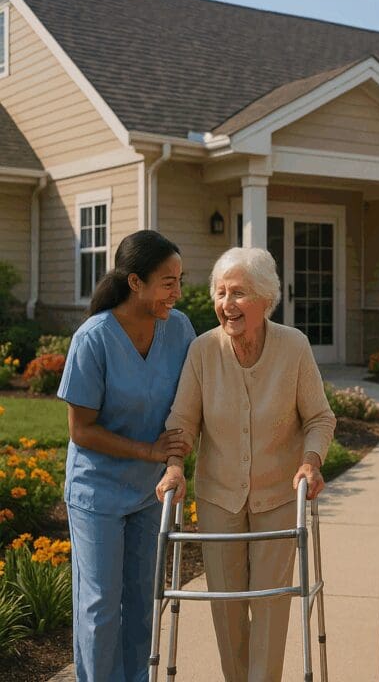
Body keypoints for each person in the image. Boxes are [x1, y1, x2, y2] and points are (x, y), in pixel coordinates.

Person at [156, 247, 336, 682]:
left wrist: (311, 462)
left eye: (238, 293)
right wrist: (175, 466)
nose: (226, 304)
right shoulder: (203, 351)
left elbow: (319, 417)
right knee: (227, 605)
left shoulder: (294, 346)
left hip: (278, 496)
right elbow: (182, 422)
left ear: (264, 299)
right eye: (220, 293)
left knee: (272, 605)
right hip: (219, 496)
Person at [57, 230, 195, 681]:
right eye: (167, 282)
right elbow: (81, 430)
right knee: (100, 606)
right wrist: (148, 449)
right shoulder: (93, 339)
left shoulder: (179, 329)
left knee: (142, 600)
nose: (177, 292)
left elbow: (192, 399)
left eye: (179, 279)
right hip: (96, 490)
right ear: (135, 282)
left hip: (149, 490)